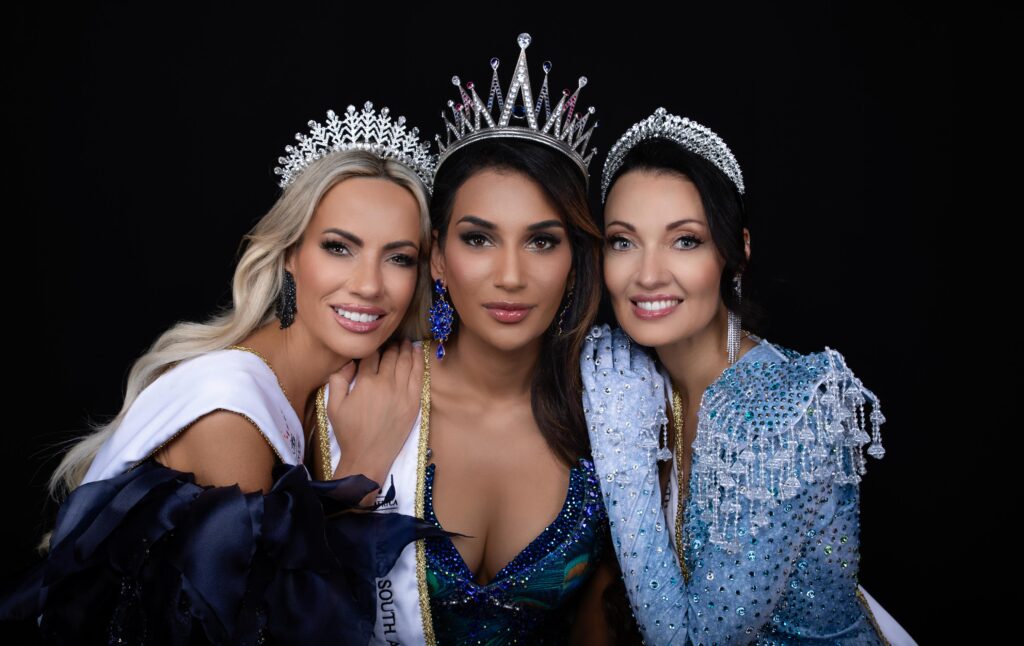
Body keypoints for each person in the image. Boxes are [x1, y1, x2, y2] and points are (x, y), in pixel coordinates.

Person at [1, 101, 444, 644]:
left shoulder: (327, 390)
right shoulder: (229, 413)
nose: (370, 285)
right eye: (338, 248)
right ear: (289, 254)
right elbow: (272, 629)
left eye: (398, 257)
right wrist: (364, 471)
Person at [580, 108, 911, 644]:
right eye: (623, 241)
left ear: (736, 255)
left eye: (685, 240)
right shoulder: (631, 372)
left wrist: (623, 460)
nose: (646, 274)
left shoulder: (784, 412)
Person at [319, 34, 609, 644]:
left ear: (575, 263)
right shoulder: (354, 393)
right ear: (437, 261)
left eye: (542, 240)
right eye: (478, 239)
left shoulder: (610, 418)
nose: (510, 275)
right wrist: (355, 475)